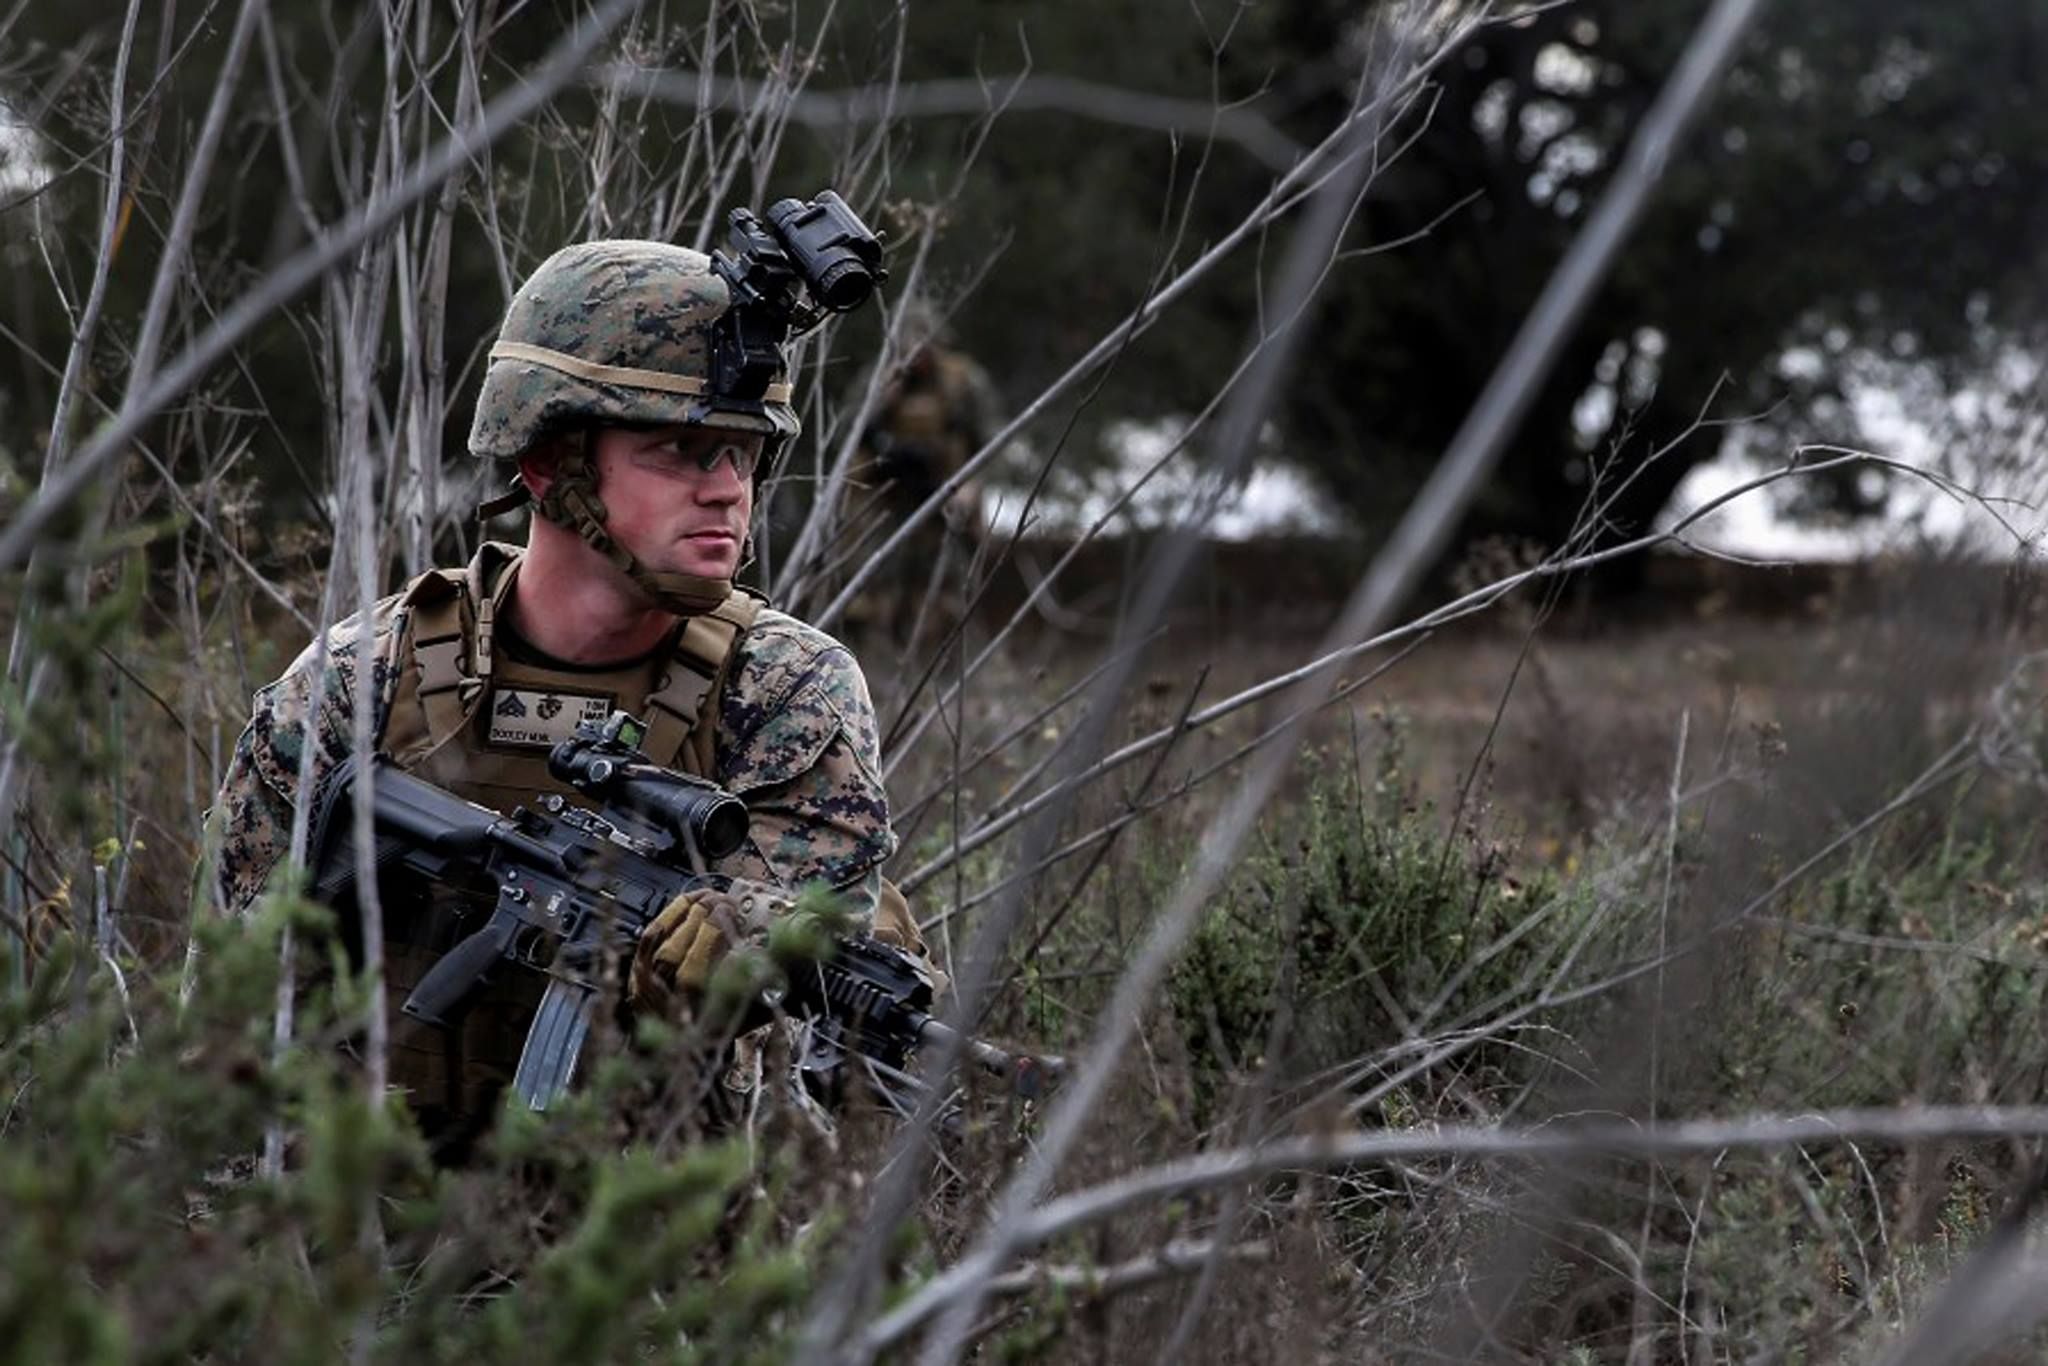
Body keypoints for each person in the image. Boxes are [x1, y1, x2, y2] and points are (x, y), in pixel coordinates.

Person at [203, 238, 931, 1154]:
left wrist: (743, 936)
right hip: (359, 1223)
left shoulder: (786, 688)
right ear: (550, 463)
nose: (728, 495)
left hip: (638, 1252)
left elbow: (824, 923)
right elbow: (228, 999)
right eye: (683, 451)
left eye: (745, 458)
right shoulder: (359, 681)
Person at [843, 298, 1004, 645]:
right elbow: (847, 437)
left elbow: (991, 443)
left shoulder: (963, 382)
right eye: (907, 345)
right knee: (873, 591)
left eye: (924, 344)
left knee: (946, 591)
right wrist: (883, 401)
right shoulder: (878, 381)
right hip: (885, 501)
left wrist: (969, 487)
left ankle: (942, 671)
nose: (916, 354)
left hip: (943, 496)